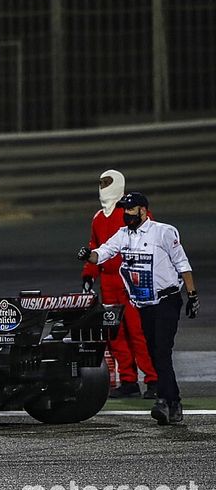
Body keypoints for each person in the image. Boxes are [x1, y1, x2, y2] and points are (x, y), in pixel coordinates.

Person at [77, 192, 199, 425]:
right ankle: (174, 404)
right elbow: (103, 253)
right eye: (125, 209)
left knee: (161, 351)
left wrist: (192, 296)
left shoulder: (164, 232)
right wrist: (89, 256)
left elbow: (183, 265)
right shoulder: (123, 235)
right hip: (143, 302)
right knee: (155, 352)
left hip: (167, 299)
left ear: (143, 210)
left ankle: (164, 400)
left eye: (131, 209)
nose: (127, 214)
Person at [82, 169, 158, 399]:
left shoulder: (132, 212)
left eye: (107, 183)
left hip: (132, 280)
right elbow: (95, 247)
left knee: (139, 332)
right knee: (115, 334)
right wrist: (88, 275)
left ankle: (154, 380)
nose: (103, 187)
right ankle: (128, 381)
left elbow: (150, 239)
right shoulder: (98, 218)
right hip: (108, 283)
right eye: (101, 182)